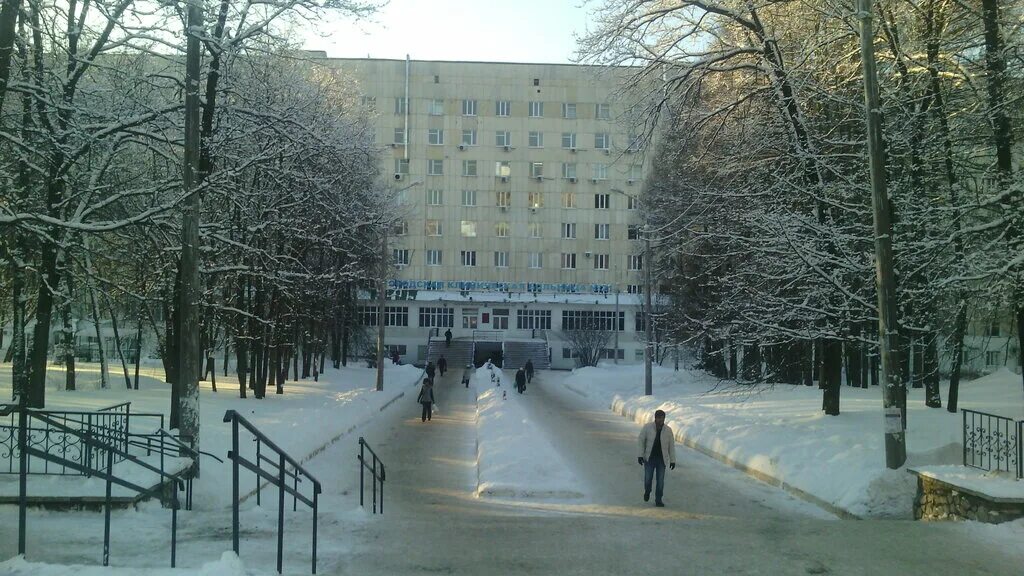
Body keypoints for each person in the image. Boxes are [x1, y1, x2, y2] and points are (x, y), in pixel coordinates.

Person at [637, 409, 676, 507]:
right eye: (659, 418)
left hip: (662, 459)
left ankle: (658, 499)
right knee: (648, 479)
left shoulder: (668, 430)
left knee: (660, 481)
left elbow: (671, 446)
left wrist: (673, 460)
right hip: (649, 458)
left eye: (662, 418)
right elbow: (641, 441)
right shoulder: (647, 428)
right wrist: (640, 455)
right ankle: (647, 490)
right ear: (655, 418)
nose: (661, 421)